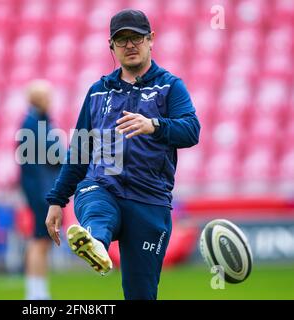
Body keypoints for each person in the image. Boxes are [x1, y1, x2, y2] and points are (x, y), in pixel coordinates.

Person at [45, 9, 200, 300]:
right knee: (95, 203)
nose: (129, 45)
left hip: (150, 201)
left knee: (140, 294)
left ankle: (96, 243)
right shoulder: (97, 92)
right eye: (121, 39)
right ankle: (95, 243)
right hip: (103, 186)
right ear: (111, 46)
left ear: (151, 39)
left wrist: (154, 125)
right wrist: (56, 200)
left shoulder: (170, 87)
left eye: (136, 38)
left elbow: (191, 130)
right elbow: (79, 150)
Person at [19, 79, 62, 300]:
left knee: (41, 240)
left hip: (39, 187)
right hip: (40, 189)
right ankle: (35, 293)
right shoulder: (34, 124)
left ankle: (38, 291)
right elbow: (53, 155)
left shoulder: (35, 122)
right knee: (39, 240)